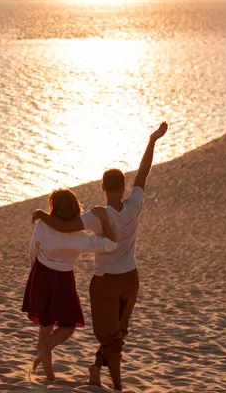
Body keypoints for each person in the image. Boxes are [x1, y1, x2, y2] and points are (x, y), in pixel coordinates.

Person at [32, 122, 168, 391]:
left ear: (103, 187)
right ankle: (101, 371)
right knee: (119, 333)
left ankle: (108, 378)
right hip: (131, 278)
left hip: (106, 281)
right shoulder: (134, 205)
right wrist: (152, 141)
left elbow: (66, 227)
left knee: (109, 335)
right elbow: (143, 173)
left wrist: (43, 216)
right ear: (124, 187)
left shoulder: (96, 216)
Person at [23, 188, 118, 382]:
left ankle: (47, 367)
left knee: (45, 324)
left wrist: (34, 274)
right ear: (75, 208)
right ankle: (46, 353)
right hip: (63, 279)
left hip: (41, 275)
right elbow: (111, 244)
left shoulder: (42, 226)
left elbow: (33, 251)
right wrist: (104, 220)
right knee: (68, 325)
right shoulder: (81, 237)